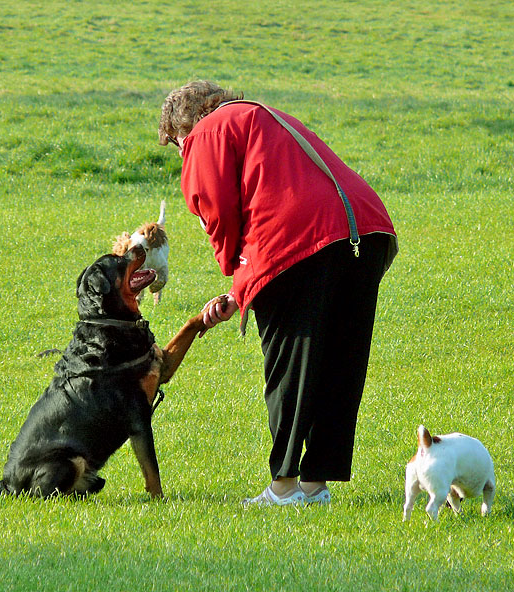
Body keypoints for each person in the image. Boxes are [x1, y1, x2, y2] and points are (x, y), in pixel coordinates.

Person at [158, 81, 398, 506]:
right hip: (368, 230)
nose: (182, 153)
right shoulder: (267, 117)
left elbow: (214, 207)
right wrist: (241, 292)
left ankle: (285, 488)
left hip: (303, 241)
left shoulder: (207, 131)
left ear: (183, 126)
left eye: (178, 144)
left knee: (290, 364)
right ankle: (314, 485)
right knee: (338, 364)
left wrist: (236, 275)